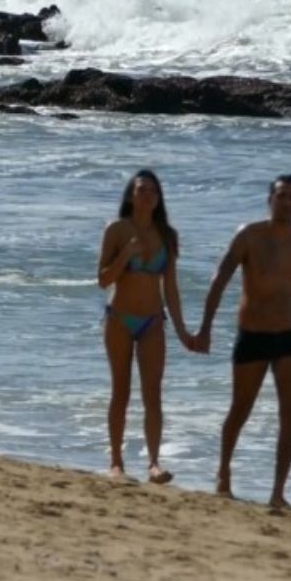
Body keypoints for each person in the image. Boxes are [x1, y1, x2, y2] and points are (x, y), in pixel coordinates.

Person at [194, 174, 291, 510]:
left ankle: (278, 492)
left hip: (289, 336)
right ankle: (222, 474)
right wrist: (205, 328)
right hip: (253, 335)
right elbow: (220, 278)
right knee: (240, 409)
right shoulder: (249, 235)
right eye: (281, 196)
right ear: (269, 199)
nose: (286, 202)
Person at [97, 170, 196, 483]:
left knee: (153, 394)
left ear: (159, 199)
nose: (147, 195)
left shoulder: (167, 235)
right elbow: (103, 280)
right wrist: (126, 253)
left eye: (153, 191)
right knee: (121, 391)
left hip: (153, 320)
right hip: (119, 319)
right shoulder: (116, 229)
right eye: (141, 190)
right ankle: (116, 461)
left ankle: (154, 463)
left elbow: (172, 289)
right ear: (130, 195)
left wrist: (182, 331)